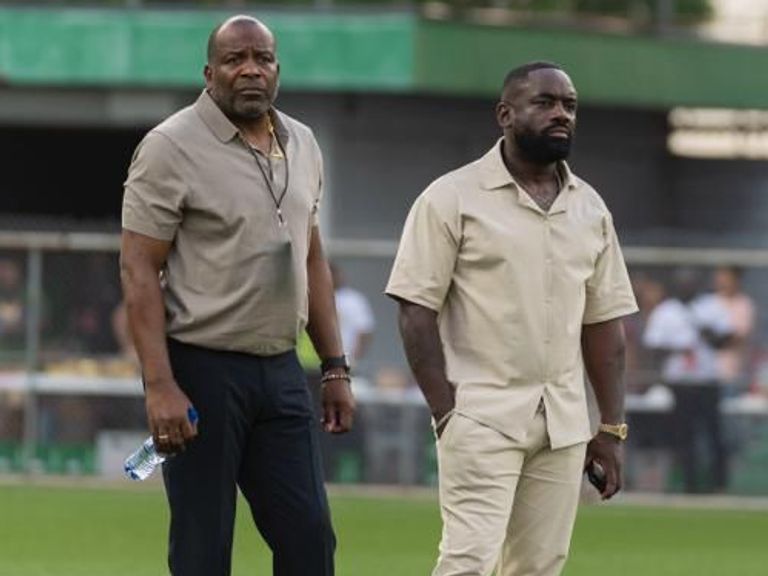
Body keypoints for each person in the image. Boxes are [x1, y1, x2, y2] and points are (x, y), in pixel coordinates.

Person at [120, 15, 354, 576]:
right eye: (234, 60)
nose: (251, 70)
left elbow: (311, 257)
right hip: (201, 370)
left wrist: (334, 366)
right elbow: (138, 267)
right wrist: (160, 385)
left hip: (281, 371)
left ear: (277, 69)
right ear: (210, 73)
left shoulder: (303, 142)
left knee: (310, 539)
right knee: (203, 547)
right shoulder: (169, 146)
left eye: (262, 59)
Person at [386, 61, 638, 576]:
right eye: (544, 103)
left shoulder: (590, 209)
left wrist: (611, 428)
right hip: (480, 416)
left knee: (538, 567)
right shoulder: (451, 198)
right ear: (505, 114)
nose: (561, 114)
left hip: (563, 424)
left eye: (569, 105)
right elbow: (415, 309)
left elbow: (604, 324)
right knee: (468, 562)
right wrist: (447, 412)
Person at [643, 268, 733, 493]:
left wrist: (707, 333)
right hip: (680, 382)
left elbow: (725, 341)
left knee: (714, 434)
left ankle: (718, 484)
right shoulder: (666, 311)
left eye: (690, 283)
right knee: (684, 436)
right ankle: (690, 484)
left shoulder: (711, 307)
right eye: (682, 283)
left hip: (707, 380)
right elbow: (653, 347)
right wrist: (678, 349)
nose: (686, 287)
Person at [711, 265, 755, 392]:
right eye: (720, 278)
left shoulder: (744, 304)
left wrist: (717, 340)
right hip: (707, 372)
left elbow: (739, 336)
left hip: (732, 372)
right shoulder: (709, 302)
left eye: (727, 278)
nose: (722, 282)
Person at [330, 262, 375, 368]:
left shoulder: (353, 300)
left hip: (345, 358)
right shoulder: (317, 298)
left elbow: (365, 330)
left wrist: (355, 356)